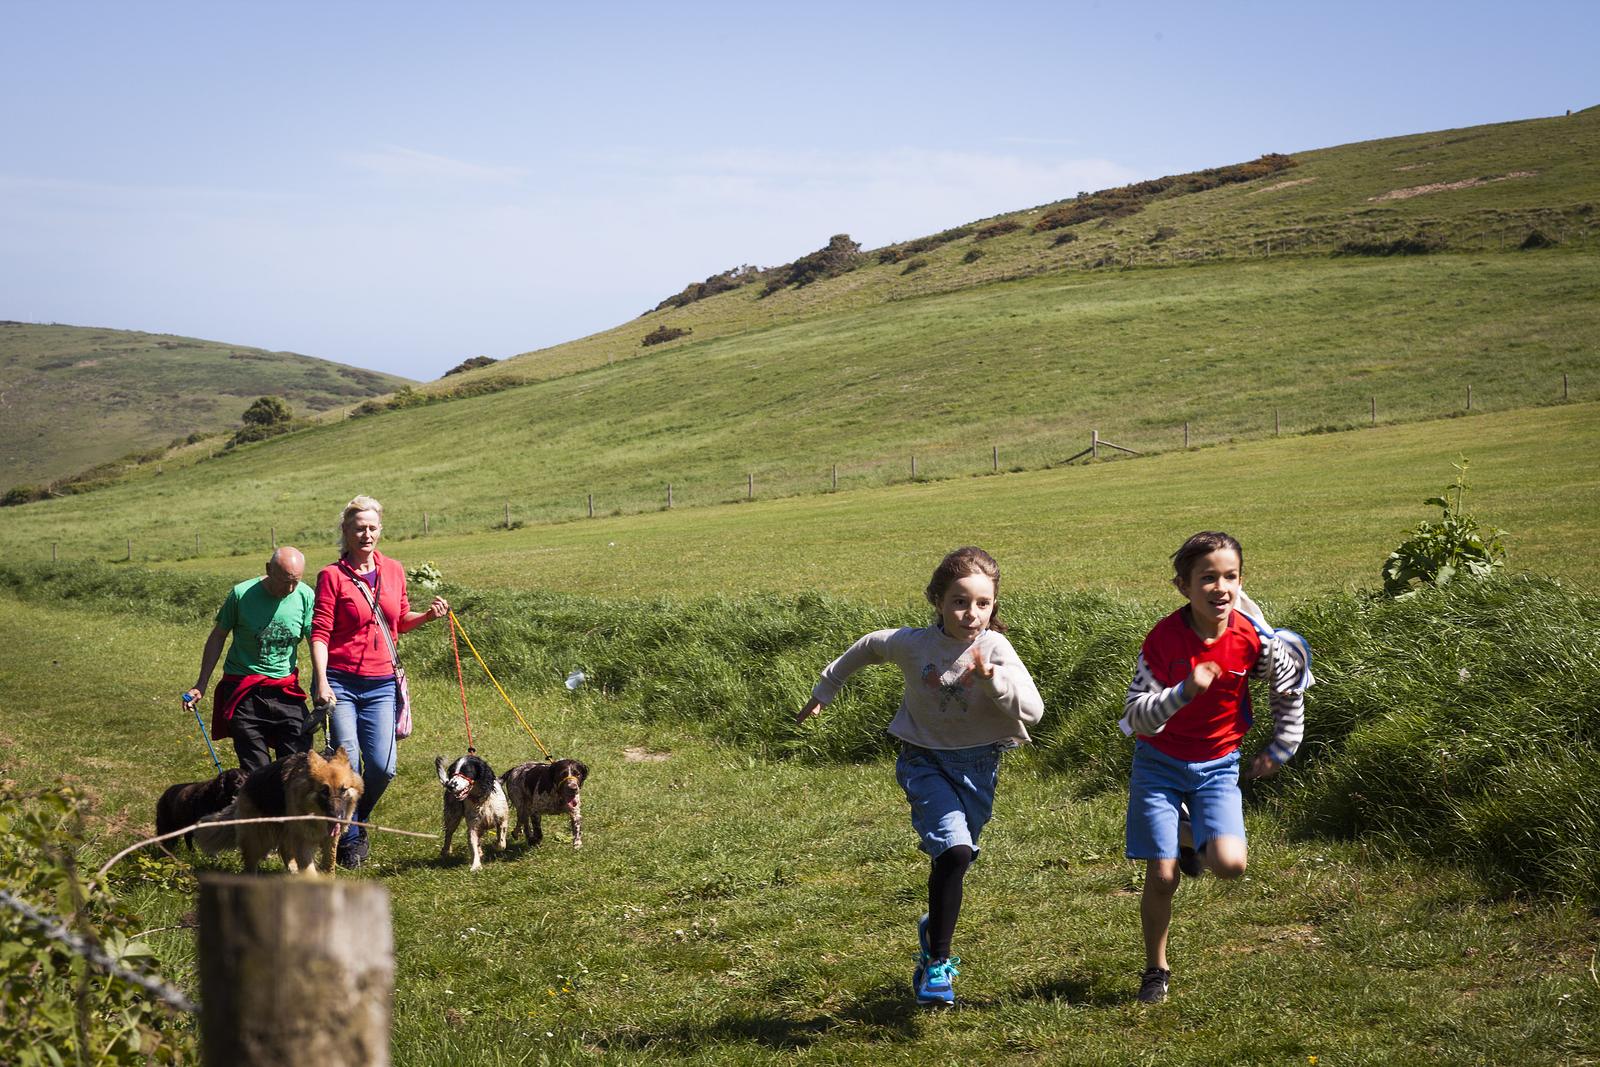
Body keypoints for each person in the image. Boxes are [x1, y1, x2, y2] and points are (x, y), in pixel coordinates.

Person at [797, 546, 1043, 1007]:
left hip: (979, 766)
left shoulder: (995, 648)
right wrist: (827, 687)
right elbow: (870, 645)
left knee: (960, 858)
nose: (971, 614)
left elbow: (1033, 711)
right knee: (954, 852)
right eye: (959, 601)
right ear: (937, 599)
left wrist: (992, 680)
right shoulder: (914, 644)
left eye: (983, 604)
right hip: (923, 761)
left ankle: (935, 928)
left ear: (994, 605)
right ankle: (938, 966)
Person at [1121, 531, 1309, 1005]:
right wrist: (1183, 692)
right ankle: (1155, 969)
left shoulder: (1251, 638)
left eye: (1231, 577)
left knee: (1230, 865)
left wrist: (1283, 746)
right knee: (1163, 877)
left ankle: (1189, 838)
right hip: (1158, 765)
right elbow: (1133, 714)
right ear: (1183, 586)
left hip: (1219, 765)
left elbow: (1288, 686)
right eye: (1208, 578)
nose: (1220, 587)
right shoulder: (1163, 640)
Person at [310, 495, 448, 868]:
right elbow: (320, 632)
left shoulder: (394, 570)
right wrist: (321, 679)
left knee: (383, 766)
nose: (366, 534)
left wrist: (428, 617)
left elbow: (399, 619)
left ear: (380, 530)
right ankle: (351, 839)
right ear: (346, 531)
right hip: (339, 681)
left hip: (382, 682)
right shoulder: (332, 575)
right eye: (359, 528)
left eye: (372, 528)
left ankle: (357, 815)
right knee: (349, 761)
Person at [184, 546, 317, 773]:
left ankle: (289, 808)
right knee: (257, 772)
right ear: (268, 569)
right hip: (244, 690)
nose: (291, 588)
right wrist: (201, 684)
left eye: (296, 581)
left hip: (285, 690)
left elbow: (316, 640)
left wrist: (324, 682)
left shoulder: (304, 595)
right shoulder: (241, 594)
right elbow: (218, 636)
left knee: (297, 765)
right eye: (285, 581)